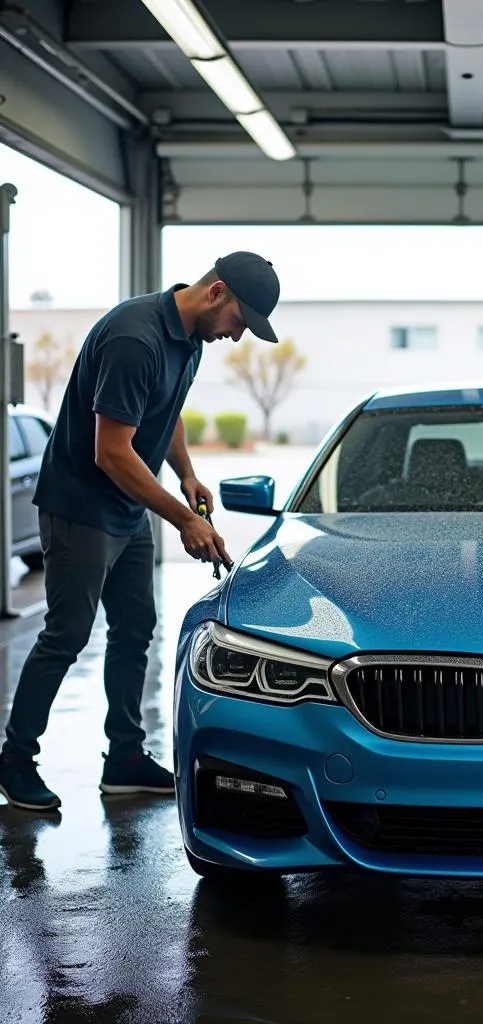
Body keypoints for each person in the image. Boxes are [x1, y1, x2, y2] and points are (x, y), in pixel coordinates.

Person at [0, 252, 281, 812]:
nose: (236, 336)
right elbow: (110, 452)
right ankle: (14, 761)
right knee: (68, 633)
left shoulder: (189, 340)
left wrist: (187, 475)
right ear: (216, 292)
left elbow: (166, 409)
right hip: (82, 506)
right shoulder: (136, 338)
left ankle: (125, 758)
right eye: (239, 322)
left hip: (128, 508)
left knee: (135, 629)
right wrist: (184, 518)